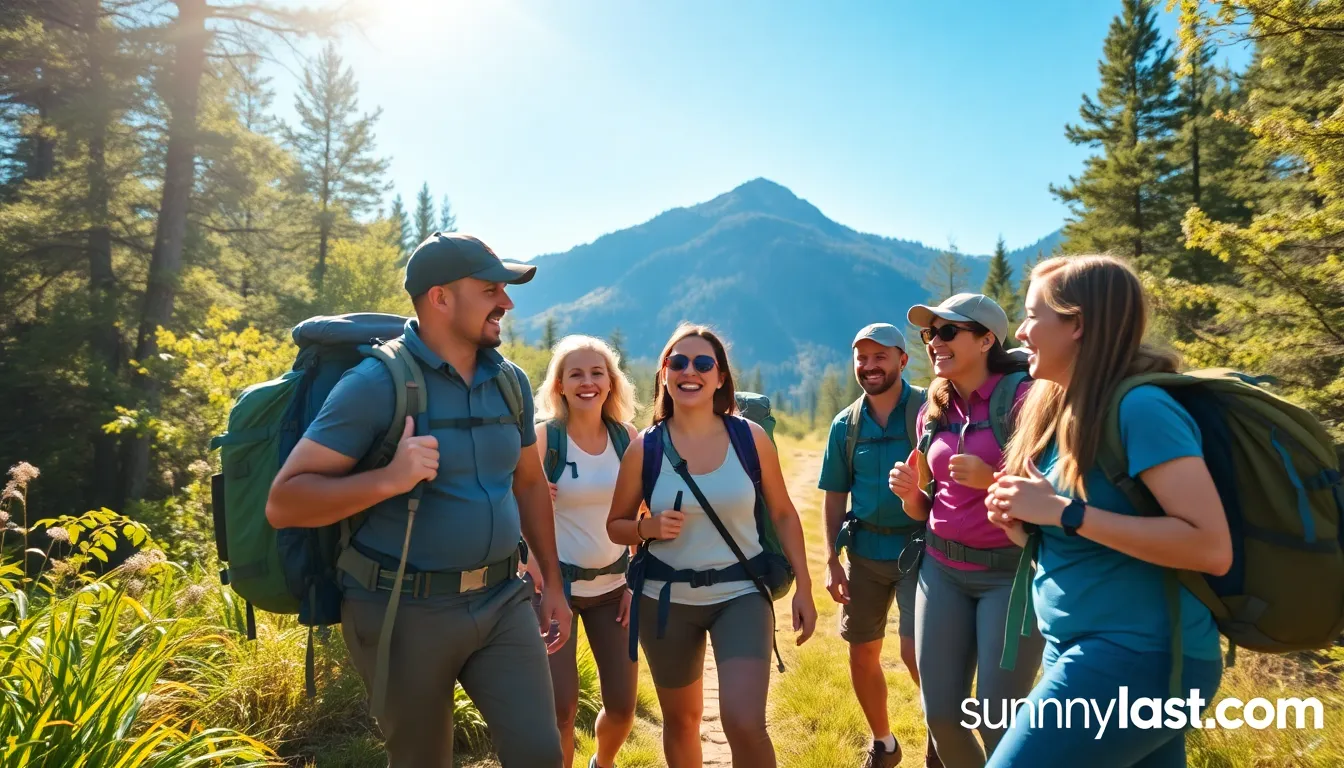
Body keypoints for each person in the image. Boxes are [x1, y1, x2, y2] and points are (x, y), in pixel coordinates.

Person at [265, 232, 570, 768]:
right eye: (491, 289)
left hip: (503, 600)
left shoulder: (510, 382)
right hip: (401, 611)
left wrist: (553, 582)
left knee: (541, 754)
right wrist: (388, 479)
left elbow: (526, 482)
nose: (507, 302)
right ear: (441, 298)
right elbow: (285, 502)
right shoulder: (376, 384)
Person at [982, 255, 1231, 767]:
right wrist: (1025, 527)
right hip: (1084, 651)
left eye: (1033, 316)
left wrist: (1063, 513)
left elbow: (1210, 546)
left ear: (1077, 324)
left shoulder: (1141, 409)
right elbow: (1089, 542)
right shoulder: (1064, 412)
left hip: (1139, 658)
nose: (1022, 332)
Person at [606, 323, 818, 768]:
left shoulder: (749, 438)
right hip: (665, 600)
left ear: (720, 378)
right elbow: (616, 526)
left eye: (704, 363)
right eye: (678, 362)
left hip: (740, 595)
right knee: (681, 723)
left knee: (744, 722)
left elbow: (782, 512)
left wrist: (804, 588)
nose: (690, 371)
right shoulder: (644, 448)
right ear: (664, 373)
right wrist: (648, 528)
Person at [888, 294, 1044, 767]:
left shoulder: (1023, 400)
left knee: (998, 721)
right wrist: (910, 495)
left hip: (1009, 576)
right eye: (930, 333)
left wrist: (991, 480)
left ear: (986, 339)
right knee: (941, 718)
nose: (935, 342)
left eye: (948, 331)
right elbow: (926, 508)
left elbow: (1057, 496)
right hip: (941, 572)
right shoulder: (933, 409)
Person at [818, 323, 936, 768]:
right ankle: (884, 744)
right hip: (864, 554)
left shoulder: (929, 409)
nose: (869, 367)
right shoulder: (844, 425)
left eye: (879, 357)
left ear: (902, 361)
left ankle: (939, 741)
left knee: (915, 651)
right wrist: (832, 560)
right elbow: (834, 495)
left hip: (922, 550)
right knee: (862, 650)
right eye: (861, 359)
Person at [530, 335, 641, 768]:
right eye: (575, 373)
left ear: (611, 383)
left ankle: (603, 762)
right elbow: (511, 506)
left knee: (623, 707)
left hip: (615, 589)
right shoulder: (544, 439)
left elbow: (641, 514)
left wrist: (634, 580)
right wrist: (536, 498)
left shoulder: (627, 438)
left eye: (597, 373)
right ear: (559, 384)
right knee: (560, 708)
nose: (587, 382)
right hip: (555, 589)